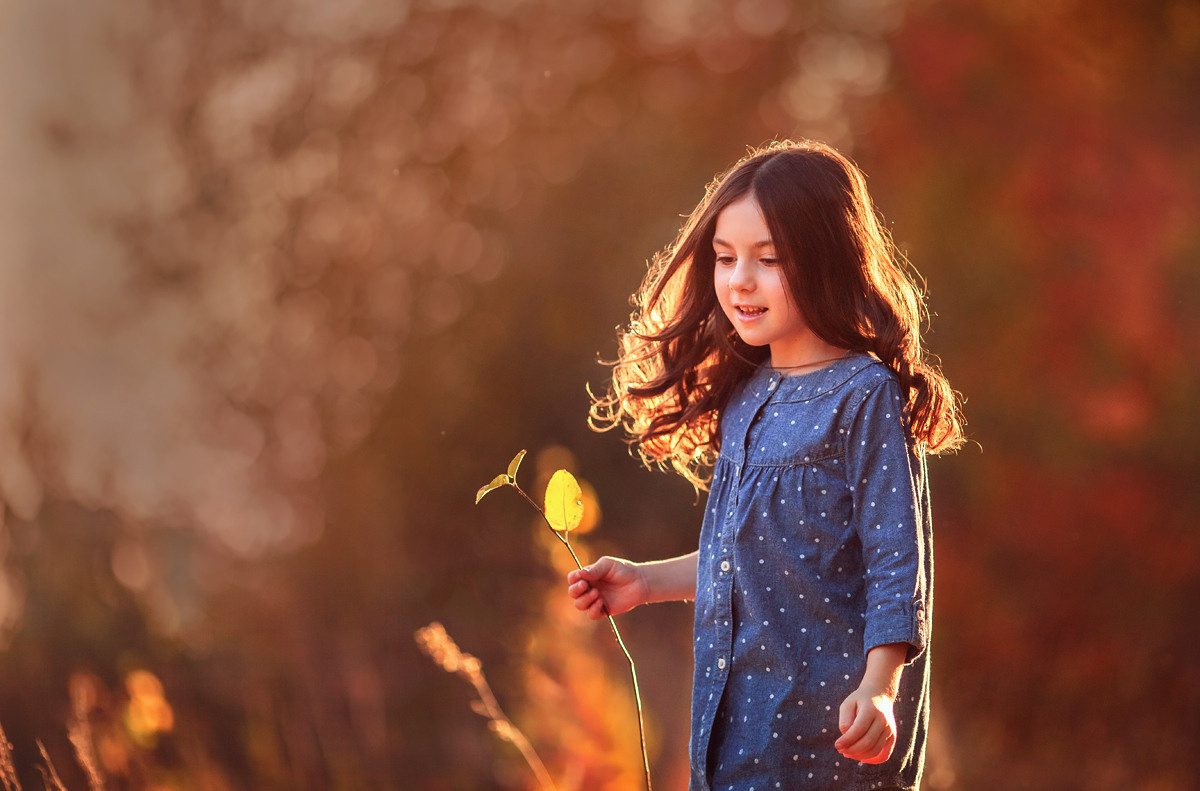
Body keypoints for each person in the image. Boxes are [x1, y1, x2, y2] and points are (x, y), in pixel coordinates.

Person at [568, 140, 964, 790]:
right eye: (725, 258)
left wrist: (881, 685)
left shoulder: (864, 395)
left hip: (827, 742)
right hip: (732, 741)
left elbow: (898, 562)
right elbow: (751, 554)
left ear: (827, 259)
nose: (738, 280)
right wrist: (644, 581)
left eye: (769, 259)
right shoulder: (748, 397)